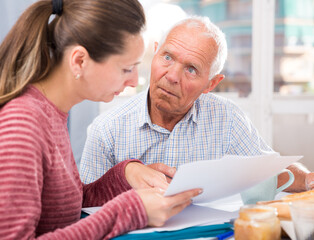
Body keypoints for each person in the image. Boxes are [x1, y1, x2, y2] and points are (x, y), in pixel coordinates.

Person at [0, 0, 202, 239]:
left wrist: (125, 176)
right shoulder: (22, 125)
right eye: (127, 68)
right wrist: (131, 210)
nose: (135, 80)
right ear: (79, 61)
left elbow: (61, 205)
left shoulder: (50, 114)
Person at [80, 16, 314, 192]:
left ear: (211, 84)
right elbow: (85, 205)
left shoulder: (227, 118)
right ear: (155, 52)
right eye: (167, 57)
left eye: (191, 69)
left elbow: (271, 170)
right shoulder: (106, 130)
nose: (172, 76)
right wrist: (126, 183)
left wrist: (308, 180)